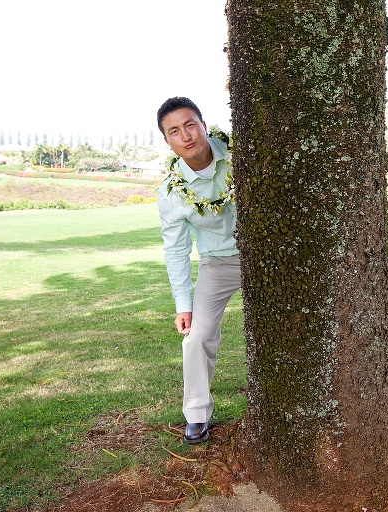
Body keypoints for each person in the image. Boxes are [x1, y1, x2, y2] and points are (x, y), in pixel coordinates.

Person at [156, 97, 240, 444]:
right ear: (167, 142)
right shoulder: (172, 192)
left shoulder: (241, 153)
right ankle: (196, 414)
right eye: (174, 131)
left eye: (190, 124)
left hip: (268, 256)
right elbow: (176, 250)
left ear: (204, 125)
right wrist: (183, 304)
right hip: (218, 263)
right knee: (197, 337)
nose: (185, 136)